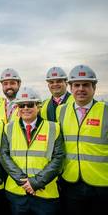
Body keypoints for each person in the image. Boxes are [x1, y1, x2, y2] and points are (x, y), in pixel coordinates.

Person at [0, 87, 65, 215]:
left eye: (30, 104)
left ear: (38, 106)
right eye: (21, 105)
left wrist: (36, 182)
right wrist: (23, 181)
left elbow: (59, 158)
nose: (25, 108)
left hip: (45, 194)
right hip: (17, 193)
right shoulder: (8, 128)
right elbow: (4, 155)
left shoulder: (53, 128)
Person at [57, 65, 108, 215]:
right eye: (76, 85)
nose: (80, 89)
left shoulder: (105, 111)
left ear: (94, 88)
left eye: (86, 84)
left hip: (102, 184)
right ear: (70, 88)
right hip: (71, 181)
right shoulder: (62, 111)